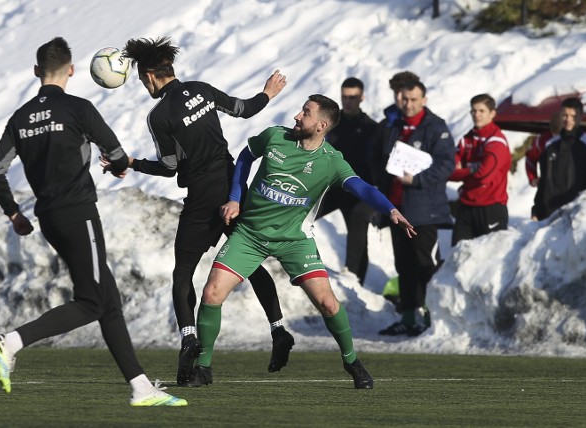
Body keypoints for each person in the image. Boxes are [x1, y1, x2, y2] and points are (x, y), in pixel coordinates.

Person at [0, 37, 186, 406]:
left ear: (35, 72)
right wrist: (122, 167)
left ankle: (141, 388)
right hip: (79, 212)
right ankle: (10, 341)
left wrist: (14, 213)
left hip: (48, 218)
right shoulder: (78, 108)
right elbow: (117, 153)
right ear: (73, 70)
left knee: (108, 300)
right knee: (92, 301)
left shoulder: (21, 117)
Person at [186, 95, 416, 389]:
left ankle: (352, 362)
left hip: (294, 240)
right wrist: (235, 197)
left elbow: (360, 186)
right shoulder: (275, 137)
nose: (297, 115)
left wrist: (391, 209)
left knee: (328, 303)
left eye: (305, 113)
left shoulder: (331, 161)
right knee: (212, 292)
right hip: (250, 235)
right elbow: (245, 156)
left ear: (321, 125)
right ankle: (203, 368)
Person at [113, 36, 292, 385]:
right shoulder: (201, 89)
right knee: (250, 264)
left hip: (201, 200)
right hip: (231, 192)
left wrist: (133, 163)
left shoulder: (159, 115)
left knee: (183, 274)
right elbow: (243, 109)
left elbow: (168, 167)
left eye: (140, 79)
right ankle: (278, 329)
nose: (143, 85)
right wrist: (268, 93)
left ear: (150, 76)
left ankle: (189, 337)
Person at [372, 79, 454, 337]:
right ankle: (408, 319)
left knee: (425, 266)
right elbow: (380, 161)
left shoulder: (435, 127)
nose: (408, 104)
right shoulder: (393, 125)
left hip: (424, 212)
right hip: (397, 209)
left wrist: (417, 180)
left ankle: (431, 320)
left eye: (414, 99)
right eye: (404, 99)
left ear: (424, 100)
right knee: (404, 266)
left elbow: (446, 164)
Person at [315, 77, 378, 283]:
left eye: (353, 97)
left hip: (357, 190)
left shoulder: (371, 128)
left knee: (358, 231)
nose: (348, 101)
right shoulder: (331, 123)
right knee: (301, 213)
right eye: (345, 97)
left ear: (362, 98)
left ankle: (354, 280)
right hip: (331, 188)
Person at [449, 93, 511, 246]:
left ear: (492, 113)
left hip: (491, 207)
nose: (477, 115)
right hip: (466, 207)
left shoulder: (497, 141)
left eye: (481, 111)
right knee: (457, 256)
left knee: (488, 262)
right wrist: (472, 172)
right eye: (473, 111)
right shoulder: (466, 139)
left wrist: (465, 172)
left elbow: (484, 175)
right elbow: (448, 170)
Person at [531, 97, 586, 221]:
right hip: (548, 213)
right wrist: (536, 209)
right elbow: (544, 181)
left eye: (573, 116)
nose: (568, 120)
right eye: (565, 115)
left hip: (576, 216)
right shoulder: (550, 144)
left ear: (580, 117)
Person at [525, 111, 563, 187]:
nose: (556, 138)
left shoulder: (579, 140)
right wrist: (533, 179)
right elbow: (530, 158)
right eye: (554, 134)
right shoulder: (542, 141)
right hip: (549, 191)